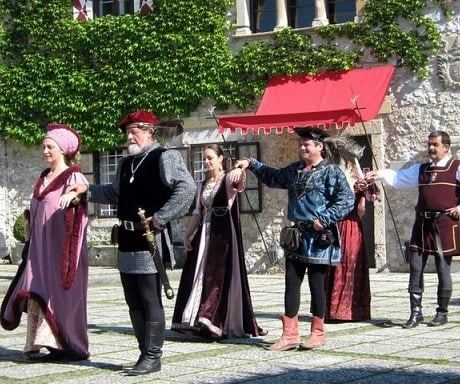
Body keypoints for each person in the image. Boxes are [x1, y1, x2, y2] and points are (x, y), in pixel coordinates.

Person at [65, 110, 196, 375]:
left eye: (134, 130)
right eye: (127, 131)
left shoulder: (165, 157)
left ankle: (152, 356)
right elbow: (114, 193)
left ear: (150, 131)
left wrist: (161, 218)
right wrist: (86, 190)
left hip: (150, 240)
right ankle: (143, 353)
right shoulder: (126, 164)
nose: (129, 135)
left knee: (150, 299)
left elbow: (188, 188)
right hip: (126, 239)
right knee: (133, 301)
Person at [234, 126, 355, 351]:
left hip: (319, 237)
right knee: (291, 282)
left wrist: (326, 218)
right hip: (296, 236)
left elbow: (347, 200)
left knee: (316, 284)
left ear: (319, 146)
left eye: (307, 144)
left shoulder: (331, 172)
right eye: (300, 144)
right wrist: (251, 163)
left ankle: (317, 333)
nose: (302, 147)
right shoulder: (294, 170)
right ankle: (290, 335)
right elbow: (273, 177)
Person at [1, 123, 90, 361]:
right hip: (39, 248)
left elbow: (82, 193)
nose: (45, 151)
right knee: (35, 289)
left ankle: (64, 343)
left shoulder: (73, 175)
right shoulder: (43, 177)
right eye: (44, 146)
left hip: (61, 249)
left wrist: (73, 194)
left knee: (59, 293)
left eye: (50, 146)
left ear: (63, 149)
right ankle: (37, 342)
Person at [365, 130, 460, 328]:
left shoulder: (456, 167)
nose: (431, 148)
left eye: (435, 145)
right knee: (416, 267)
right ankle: (415, 313)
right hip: (422, 224)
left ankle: (442, 313)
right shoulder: (422, 169)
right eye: (429, 144)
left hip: (444, 224)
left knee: (443, 269)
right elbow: (399, 178)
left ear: (446, 147)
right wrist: (380, 174)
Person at [171, 144, 265, 339]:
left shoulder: (229, 178)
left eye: (210, 158)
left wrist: (241, 168)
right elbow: (197, 213)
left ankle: (211, 318)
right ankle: (196, 317)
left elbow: (239, 179)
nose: (206, 162)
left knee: (217, 275)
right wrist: (187, 235)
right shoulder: (203, 185)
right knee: (197, 273)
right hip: (204, 233)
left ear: (221, 158)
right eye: (204, 158)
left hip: (223, 234)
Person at [323, 137, 379, 322]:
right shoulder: (328, 171)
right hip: (337, 222)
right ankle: (335, 309)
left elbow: (362, 203)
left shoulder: (353, 170)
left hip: (351, 224)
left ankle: (350, 309)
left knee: (350, 263)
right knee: (335, 265)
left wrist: (361, 193)